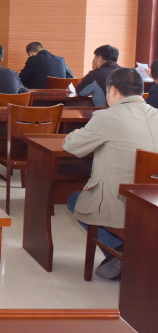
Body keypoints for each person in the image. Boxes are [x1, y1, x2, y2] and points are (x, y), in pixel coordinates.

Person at [63, 67, 158, 280]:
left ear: (112, 90)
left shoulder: (106, 117)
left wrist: (77, 132)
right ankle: (135, 251)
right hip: (153, 202)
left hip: (123, 202)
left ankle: (122, 251)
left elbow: (71, 146)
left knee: (74, 200)